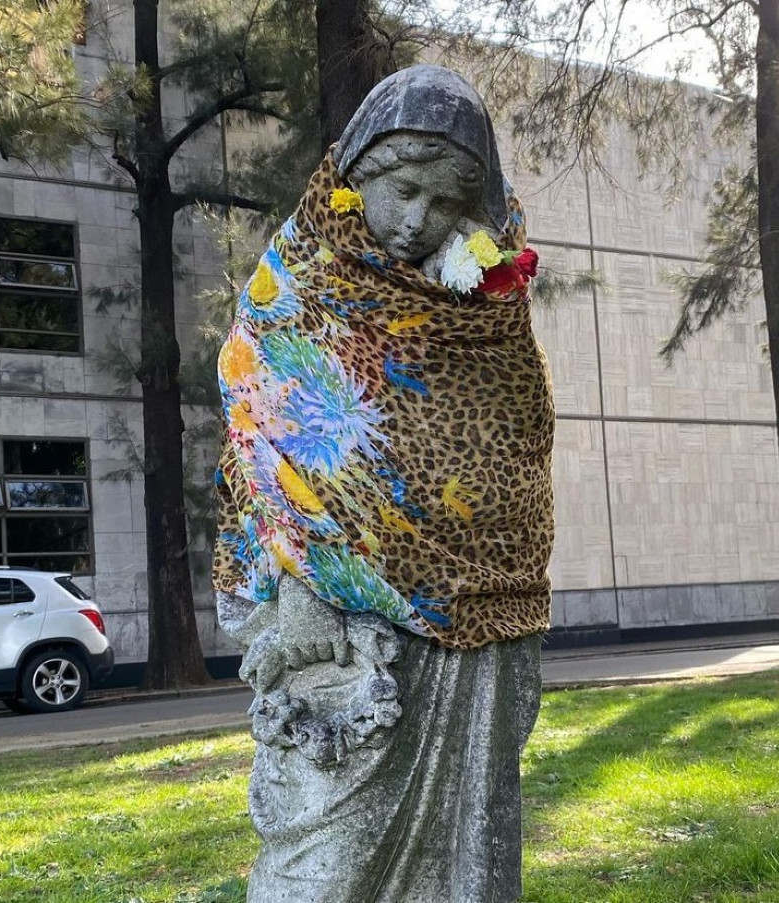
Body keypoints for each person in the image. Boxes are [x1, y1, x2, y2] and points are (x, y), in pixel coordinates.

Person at [213, 63, 555, 903]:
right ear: (356, 171)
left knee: (466, 862)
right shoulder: (296, 288)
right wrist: (297, 591)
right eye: (403, 189)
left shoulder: (485, 310)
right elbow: (259, 447)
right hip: (334, 623)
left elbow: (517, 444)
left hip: (477, 621)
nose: (417, 221)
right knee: (320, 866)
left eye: (445, 205)